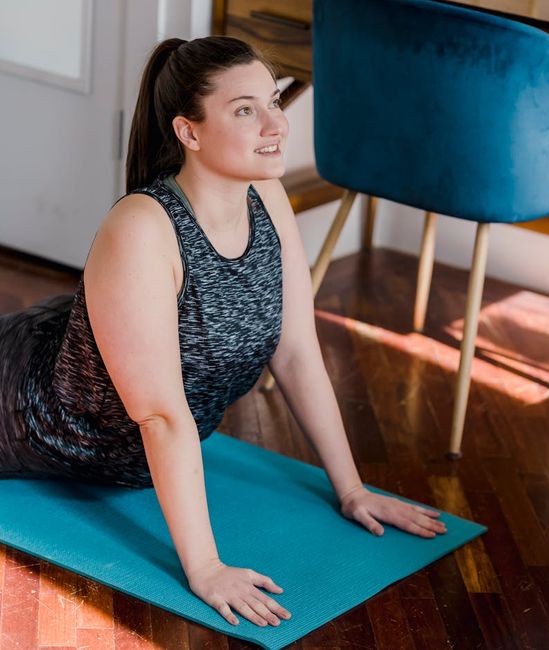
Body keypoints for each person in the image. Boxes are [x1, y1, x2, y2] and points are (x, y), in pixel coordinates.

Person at [0, 36, 446, 628]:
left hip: (100, 392)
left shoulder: (265, 195)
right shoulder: (143, 228)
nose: (276, 124)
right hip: (25, 406)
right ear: (189, 131)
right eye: (244, 110)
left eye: (274, 100)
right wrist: (206, 567)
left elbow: (296, 349)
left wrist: (352, 489)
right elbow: (162, 417)